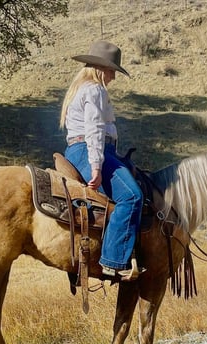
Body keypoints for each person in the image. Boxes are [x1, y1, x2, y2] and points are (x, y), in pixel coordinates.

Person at [60, 40, 143, 281]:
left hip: (78, 150)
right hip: (91, 150)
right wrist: (96, 166)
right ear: (100, 68)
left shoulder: (80, 88)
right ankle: (113, 261)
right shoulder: (95, 90)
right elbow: (95, 129)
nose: (113, 77)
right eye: (112, 71)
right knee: (132, 196)